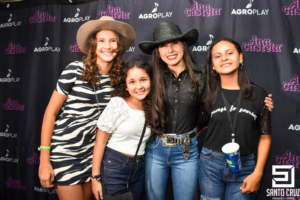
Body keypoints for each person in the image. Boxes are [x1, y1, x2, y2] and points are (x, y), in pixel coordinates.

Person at [139, 20, 274, 200]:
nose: (169, 50)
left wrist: (262, 103)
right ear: (157, 51)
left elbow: (232, 87)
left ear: (184, 45)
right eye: (163, 45)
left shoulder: (203, 75)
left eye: (174, 43)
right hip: (156, 146)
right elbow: (132, 96)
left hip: (187, 147)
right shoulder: (150, 77)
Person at [38, 16, 135, 200]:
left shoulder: (119, 80)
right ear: (93, 46)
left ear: (119, 46)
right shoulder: (75, 70)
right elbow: (50, 113)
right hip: (66, 153)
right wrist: (44, 160)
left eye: (113, 41)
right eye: (101, 41)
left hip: (94, 158)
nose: (108, 46)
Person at [198, 37, 272, 200]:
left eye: (229, 53)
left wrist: (258, 173)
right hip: (210, 163)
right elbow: (193, 124)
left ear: (240, 57)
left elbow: (265, 137)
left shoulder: (259, 94)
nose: (224, 58)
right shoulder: (207, 94)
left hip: (245, 165)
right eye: (217, 56)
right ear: (213, 65)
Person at [91, 59, 152, 200]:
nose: (139, 86)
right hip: (115, 166)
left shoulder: (152, 106)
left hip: (139, 168)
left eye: (143, 80)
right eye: (132, 82)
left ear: (151, 81)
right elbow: (100, 142)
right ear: (125, 85)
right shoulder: (118, 103)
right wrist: (95, 178)